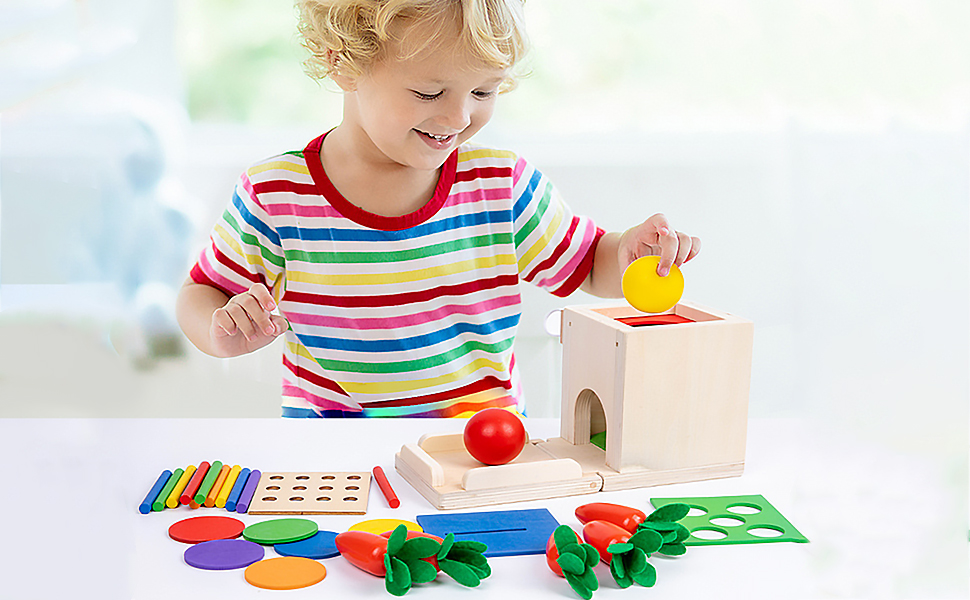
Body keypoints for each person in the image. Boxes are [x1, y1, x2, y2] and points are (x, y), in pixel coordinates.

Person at [176, 0, 700, 418]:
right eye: (429, 93)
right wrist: (221, 333)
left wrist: (629, 254)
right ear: (343, 63)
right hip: (337, 453)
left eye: (484, 90)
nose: (459, 116)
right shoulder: (278, 194)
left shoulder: (502, 185)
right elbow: (201, 293)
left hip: (480, 450)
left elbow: (588, 263)